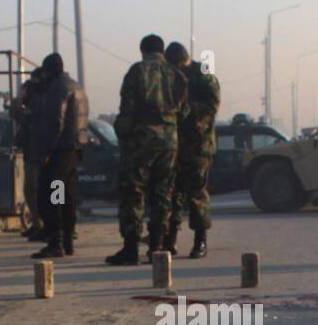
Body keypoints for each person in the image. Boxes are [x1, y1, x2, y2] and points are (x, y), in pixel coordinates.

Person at [106, 34, 186, 265]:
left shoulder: (137, 71)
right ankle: (158, 247)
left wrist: (123, 137)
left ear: (143, 51)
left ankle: (131, 248)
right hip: (169, 142)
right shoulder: (177, 75)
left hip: (141, 141)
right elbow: (185, 111)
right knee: (162, 194)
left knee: (134, 193)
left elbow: (127, 110)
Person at [29, 53, 88, 259]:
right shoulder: (76, 86)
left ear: (49, 71)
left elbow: (56, 121)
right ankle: (67, 240)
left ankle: (56, 241)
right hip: (74, 149)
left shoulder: (57, 88)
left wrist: (46, 151)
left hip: (58, 150)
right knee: (66, 196)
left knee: (52, 196)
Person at [163, 41, 220, 259]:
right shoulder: (171, 76)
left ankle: (200, 241)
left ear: (181, 61)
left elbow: (213, 105)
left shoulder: (203, 73)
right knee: (173, 193)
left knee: (196, 194)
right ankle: (170, 241)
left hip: (198, 144)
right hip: (175, 143)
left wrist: (186, 109)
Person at [11, 67, 46, 239]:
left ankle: (59, 227)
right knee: (33, 190)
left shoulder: (47, 96)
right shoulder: (57, 92)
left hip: (46, 152)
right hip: (38, 151)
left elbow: (30, 119)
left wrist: (18, 105)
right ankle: (43, 223)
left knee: (51, 190)